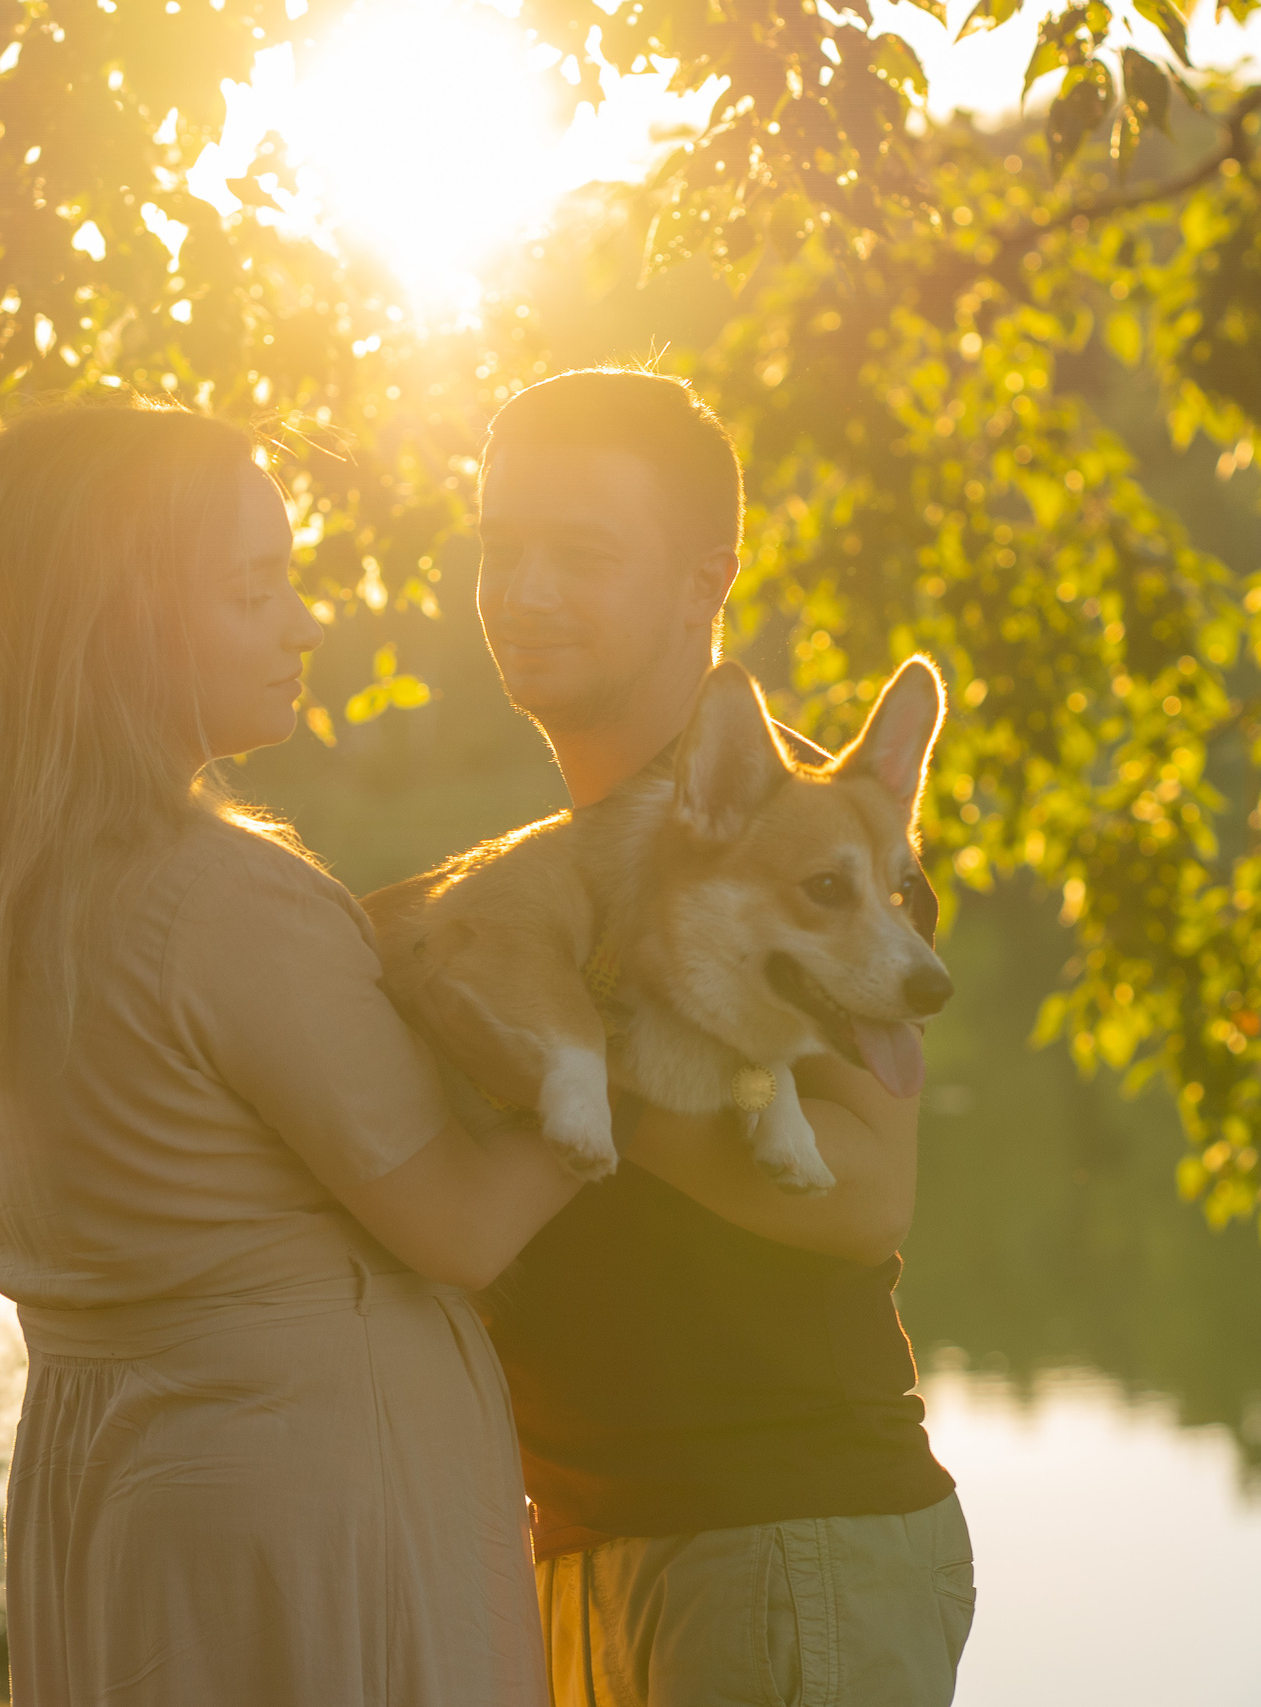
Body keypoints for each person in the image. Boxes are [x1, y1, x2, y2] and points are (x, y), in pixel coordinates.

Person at [0, 398, 581, 1707]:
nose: (304, 622)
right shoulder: (221, 899)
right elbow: (464, 1226)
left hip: (121, 1478)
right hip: (299, 1512)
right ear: (118, 622)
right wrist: (636, 1055)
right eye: (255, 590)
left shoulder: (1, 893)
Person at [470, 369, 974, 1706]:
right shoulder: (557, 866)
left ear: (707, 581)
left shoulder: (816, 840)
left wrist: (530, 1043)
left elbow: (863, 1197)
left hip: (779, 1541)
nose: (523, 594)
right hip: (592, 1551)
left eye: (580, 554)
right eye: (499, 550)